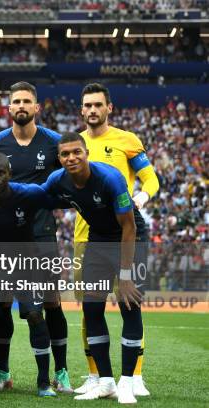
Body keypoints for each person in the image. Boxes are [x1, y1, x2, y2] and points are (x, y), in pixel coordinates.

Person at [0, 81, 71, 393]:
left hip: (41, 235)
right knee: (2, 305)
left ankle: (60, 372)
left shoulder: (55, 143)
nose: (21, 106)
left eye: (26, 101)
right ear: (9, 109)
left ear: (37, 107)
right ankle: (1, 372)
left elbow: (68, 183)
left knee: (50, 303)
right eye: (15, 101)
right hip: (4, 241)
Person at [42, 132, 144, 404]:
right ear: (59, 158)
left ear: (87, 153)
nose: (71, 158)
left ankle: (127, 383)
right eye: (65, 154)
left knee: (129, 304)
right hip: (98, 239)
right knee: (91, 307)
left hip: (130, 236)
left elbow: (129, 227)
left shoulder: (109, 179)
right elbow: (34, 198)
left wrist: (124, 276)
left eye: (76, 152)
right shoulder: (57, 180)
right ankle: (106, 381)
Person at [73, 83, 159, 398]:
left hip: (124, 230)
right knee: (88, 308)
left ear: (109, 107)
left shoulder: (127, 140)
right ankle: (97, 376)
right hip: (86, 235)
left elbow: (151, 177)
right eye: (88, 105)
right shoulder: (74, 144)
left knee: (130, 301)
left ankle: (134, 376)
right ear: (81, 110)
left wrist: (141, 198)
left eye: (98, 105)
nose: (93, 110)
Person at [0, 152, 59, 397]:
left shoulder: (29, 193)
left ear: (9, 174)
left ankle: (44, 382)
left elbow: (60, 197)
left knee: (36, 314)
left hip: (27, 259)